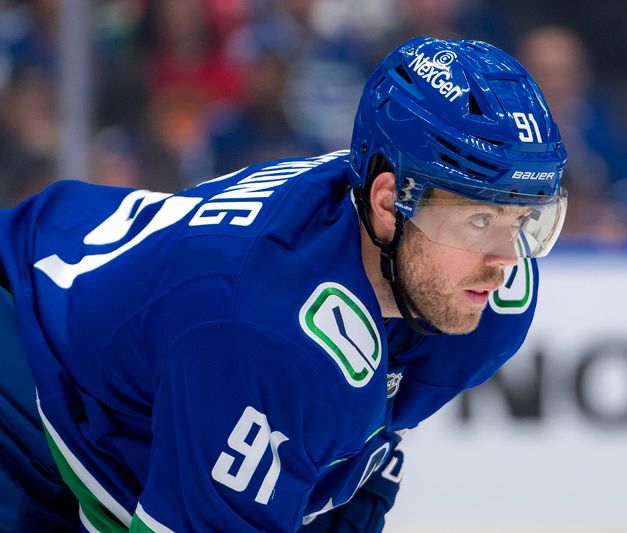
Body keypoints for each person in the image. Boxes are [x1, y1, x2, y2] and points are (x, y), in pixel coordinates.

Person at [0, 36, 567, 532]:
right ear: (389, 203)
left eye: (523, 220)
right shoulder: (264, 331)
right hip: (25, 353)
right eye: (476, 219)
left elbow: (357, 447)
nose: (503, 261)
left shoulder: (481, 297)